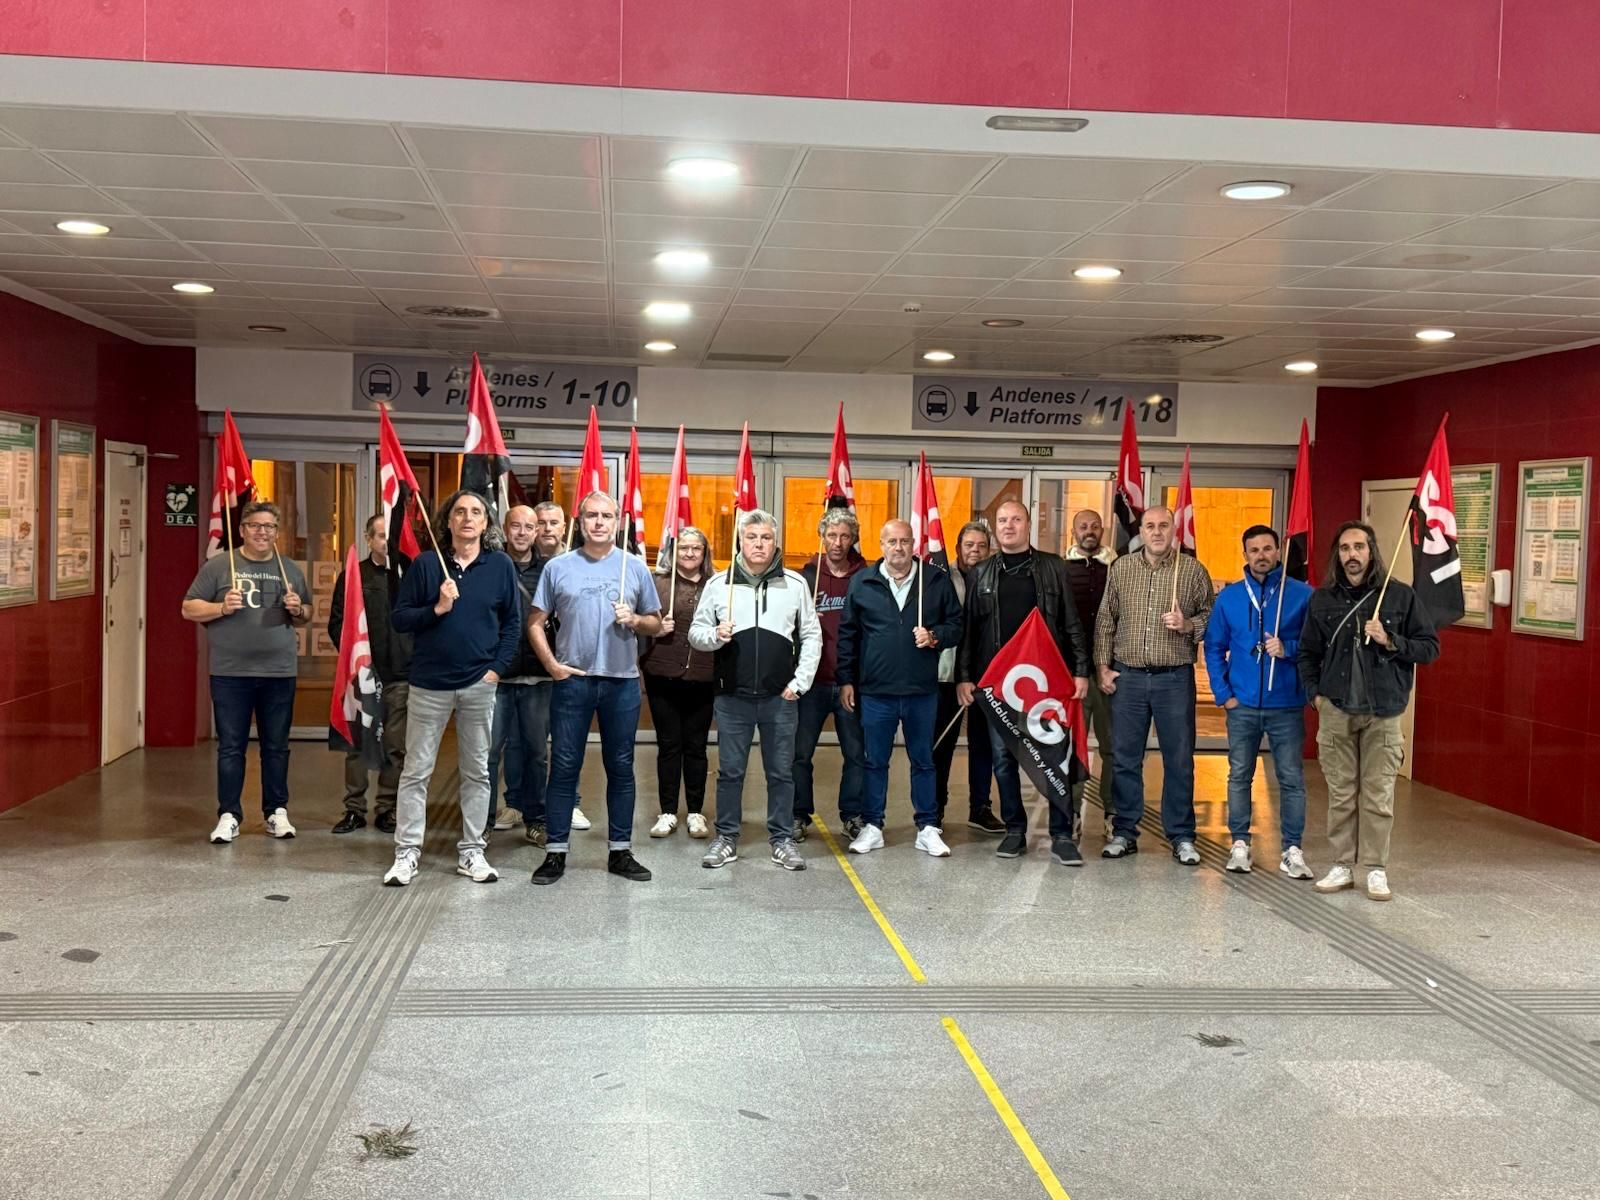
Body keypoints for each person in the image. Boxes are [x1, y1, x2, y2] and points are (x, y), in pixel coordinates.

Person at [382, 490, 521, 887]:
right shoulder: (427, 565)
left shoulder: (500, 566)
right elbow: (400, 619)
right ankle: (407, 853)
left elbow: (512, 623)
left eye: (476, 512)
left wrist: (496, 670)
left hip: (479, 683)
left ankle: (472, 851)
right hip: (428, 685)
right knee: (416, 771)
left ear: (486, 523)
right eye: (460, 512)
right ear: (447, 522)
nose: (467, 518)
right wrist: (437, 609)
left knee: (477, 771)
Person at [527, 491, 663, 886]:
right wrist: (552, 665)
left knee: (620, 767)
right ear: (580, 521)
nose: (599, 522)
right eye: (591, 516)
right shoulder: (559, 567)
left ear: (617, 522)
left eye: (606, 516)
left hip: (621, 684)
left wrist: (636, 619)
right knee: (565, 766)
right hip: (574, 682)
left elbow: (656, 624)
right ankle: (555, 852)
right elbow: (535, 622)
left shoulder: (634, 568)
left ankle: (620, 850)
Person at [1298, 521, 1439, 901]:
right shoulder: (1322, 599)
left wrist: (1390, 640)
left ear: (1372, 551)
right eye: (1344, 548)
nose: (1352, 555)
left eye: (1359, 547)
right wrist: (1316, 696)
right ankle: (1342, 864)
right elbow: (1307, 653)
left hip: (1384, 711)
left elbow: (1429, 648)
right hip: (1337, 709)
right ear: (1337, 555)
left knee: (1377, 794)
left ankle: (1376, 868)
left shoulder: (1400, 597)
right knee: (1342, 794)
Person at [955, 499, 1091, 865]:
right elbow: (970, 631)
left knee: (1055, 755)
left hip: (1047, 682)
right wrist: (965, 677)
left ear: (1028, 525)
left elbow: (1071, 622)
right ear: (995, 527)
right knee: (1003, 759)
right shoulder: (980, 572)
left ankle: (1062, 834)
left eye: (1016, 519)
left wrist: (1080, 670)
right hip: (998, 684)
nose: (1009, 526)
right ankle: (1015, 830)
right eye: (1002, 520)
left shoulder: (1053, 567)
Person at [690, 509, 821, 872]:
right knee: (731, 772)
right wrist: (715, 636)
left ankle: (781, 840)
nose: (759, 544)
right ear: (741, 541)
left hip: (781, 699)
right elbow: (695, 635)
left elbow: (811, 635)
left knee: (781, 772)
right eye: (752, 537)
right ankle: (727, 838)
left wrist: (800, 683)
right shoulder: (719, 584)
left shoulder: (794, 585)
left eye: (765, 537)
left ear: (775, 541)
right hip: (732, 697)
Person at [182, 500, 311, 844]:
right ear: (241, 530)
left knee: (276, 746)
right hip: (230, 672)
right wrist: (219, 607)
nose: (262, 532)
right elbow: (188, 607)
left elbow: (307, 612)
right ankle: (228, 814)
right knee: (231, 747)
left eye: (269, 526)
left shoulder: (290, 569)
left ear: (276, 532)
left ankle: (276, 812)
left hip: (279, 671)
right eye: (255, 525)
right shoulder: (219, 566)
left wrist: (299, 609)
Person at [1094, 506, 1215, 865]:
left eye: (1164, 526)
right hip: (1128, 678)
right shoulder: (1122, 568)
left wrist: (1189, 624)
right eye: (1150, 526)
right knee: (1125, 758)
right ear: (1141, 532)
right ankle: (1125, 831)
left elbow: (1212, 614)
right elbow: (1105, 619)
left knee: (1179, 760)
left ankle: (1181, 835)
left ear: (1174, 530)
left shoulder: (1191, 570)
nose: (1157, 532)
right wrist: (1103, 666)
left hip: (1174, 679)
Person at [836, 520, 963, 855]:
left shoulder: (935, 580)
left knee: (923, 761)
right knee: (874, 761)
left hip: (921, 691)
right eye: (892, 541)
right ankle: (873, 825)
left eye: (905, 541)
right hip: (876, 691)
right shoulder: (862, 582)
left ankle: (927, 826)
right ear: (881, 544)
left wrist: (935, 636)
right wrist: (846, 680)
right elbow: (848, 635)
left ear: (914, 545)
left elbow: (956, 625)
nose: (898, 548)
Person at [1203, 524, 1315, 879]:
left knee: (1291, 778)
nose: (1262, 556)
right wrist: (1224, 695)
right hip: (1243, 706)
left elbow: (1317, 647)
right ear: (1245, 555)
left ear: (1278, 552)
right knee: (1239, 776)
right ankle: (1239, 844)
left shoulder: (1302, 595)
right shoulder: (1231, 598)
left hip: (1285, 704)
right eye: (1254, 550)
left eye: (1268, 549)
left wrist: (1288, 649)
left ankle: (1292, 849)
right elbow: (1213, 646)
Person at [488, 502, 566, 847]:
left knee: (537, 752)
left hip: (537, 677)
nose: (522, 533)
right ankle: (482, 823)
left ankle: (536, 819)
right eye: (515, 526)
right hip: (496, 677)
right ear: (506, 530)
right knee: (487, 754)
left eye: (529, 527)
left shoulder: (550, 570)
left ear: (538, 532)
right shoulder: (489, 566)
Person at [327, 513, 410, 835]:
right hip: (362, 676)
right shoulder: (354, 575)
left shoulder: (412, 572)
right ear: (368, 538)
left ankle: (388, 809)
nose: (385, 543)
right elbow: (338, 622)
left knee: (395, 746)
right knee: (358, 745)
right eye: (379, 536)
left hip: (401, 676)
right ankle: (354, 809)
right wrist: (353, 659)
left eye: (390, 537)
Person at [794, 508, 869, 840]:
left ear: (854, 539)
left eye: (844, 536)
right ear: (821, 537)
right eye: (831, 535)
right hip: (811, 682)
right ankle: (798, 814)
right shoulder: (804, 578)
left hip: (849, 684)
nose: (837, 543)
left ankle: (852, 814)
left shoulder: (866, 578)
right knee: (800, 753)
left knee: (856, 754)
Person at [641, 526, 716, 839]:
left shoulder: (718, 585)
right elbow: (637, 622)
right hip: (663, 675)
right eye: (683, 547)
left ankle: (696, 813)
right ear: (674, 552)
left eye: (695, 548)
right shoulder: (658, 584)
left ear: (704, 553)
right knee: (669, 745)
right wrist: (655, 628)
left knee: (696, 747)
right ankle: (668, 811)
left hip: (704, 675)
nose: (689, 553)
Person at [932, 521, 1003, 835]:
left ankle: (980, 807)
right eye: (969, 545)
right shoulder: (941, 577)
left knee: (983, 744)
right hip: (947, 675)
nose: (975, 551)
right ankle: (935, 808)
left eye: (981, 546)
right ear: (959, 547)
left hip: (985, 675)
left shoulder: (995, 578)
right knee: (942, 744)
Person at [1062, 509, 1116, 838]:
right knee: (1074, 747)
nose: (1089, 531)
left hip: (1109, 674)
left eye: (1095, 526)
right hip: (1074, 676)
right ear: (1073, 531)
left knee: (1113, 748)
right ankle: (1071, 812)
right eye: (1083, 526)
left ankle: (1112, 812)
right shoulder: (1061, 569)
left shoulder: (1119, 567)